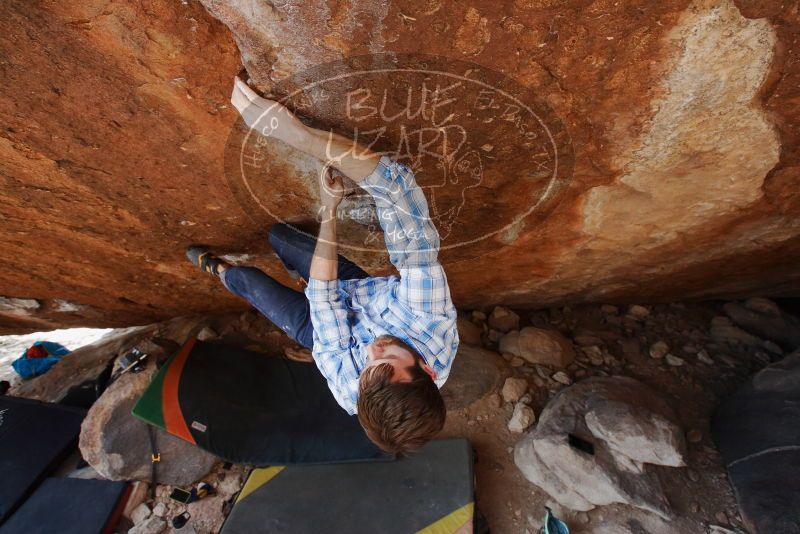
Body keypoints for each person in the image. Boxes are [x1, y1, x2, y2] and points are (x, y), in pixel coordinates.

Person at [186, 77, 459, 454]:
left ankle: (219, 271)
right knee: (280, 237)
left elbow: (324, 300)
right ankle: (292, 258)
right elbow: (396, 189)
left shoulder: (351, 387)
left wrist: (328, 209)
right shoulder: (429, 319)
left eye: (367, 366)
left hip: (323, 329)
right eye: (388, 358)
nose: (373, 350)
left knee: (251, 283)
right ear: (426, 371)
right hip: (361, 294)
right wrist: (294, 134)